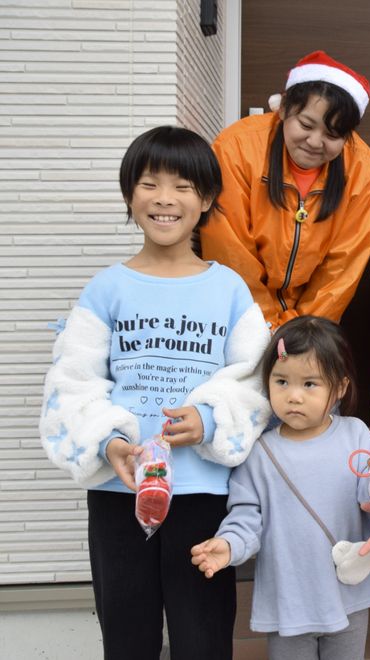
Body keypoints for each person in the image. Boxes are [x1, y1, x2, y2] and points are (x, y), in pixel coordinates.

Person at [39, 126, 272, 659]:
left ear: (207, 199)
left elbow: (258, 382)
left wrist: (210, 421)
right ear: (129, 195)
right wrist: (107, 443)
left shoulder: (229, 289)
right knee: (126, 633)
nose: (165, 198)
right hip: (119, 493)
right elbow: (71, 384)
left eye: (183, 186)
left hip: (204, 493)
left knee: (203, 636)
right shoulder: (106, 289)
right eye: (149, 183)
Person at [190, 316, 370, 660]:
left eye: (309, 384)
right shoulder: (259, 453)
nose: (293, 396)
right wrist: (229, 544)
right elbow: (246, 518)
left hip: (346, 595)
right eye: (281, 381)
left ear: (340, 388)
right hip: (289, 600)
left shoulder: (355, 435)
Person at [200, 50, 370, 329]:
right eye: (306, 125)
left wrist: (304, 331)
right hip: (238, 310)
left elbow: (344, 264)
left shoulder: (362, 168)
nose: (315, 142)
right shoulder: (236, 147)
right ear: (283, 109)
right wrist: (267, 327)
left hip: (310, 320)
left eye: (332, 135)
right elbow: (230, 250)